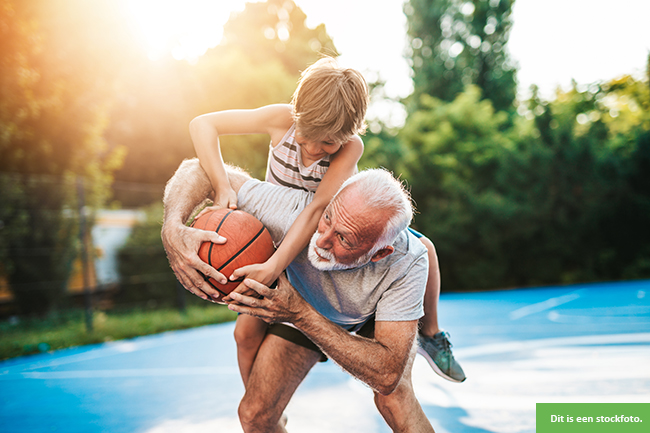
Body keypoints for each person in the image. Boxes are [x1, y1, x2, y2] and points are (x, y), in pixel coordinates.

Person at [187, 56, 464, 383]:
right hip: (282, 236)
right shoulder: (280, 119)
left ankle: (430, 335)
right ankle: (259, 417)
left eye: (328, 142)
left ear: (349, 133)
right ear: (298, 113)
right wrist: (221, 185)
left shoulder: (350, 148)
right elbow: (202, 124)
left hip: (324, 238)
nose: (314, 150)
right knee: (244, 335)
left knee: (425, 249)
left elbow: (317, 210)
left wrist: (273, 267)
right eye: (306, 137)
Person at [161, 159, 436, 432]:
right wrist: (172, 226)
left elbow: (386, 374)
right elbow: (197, 168)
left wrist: (300, 314)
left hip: (361, 315)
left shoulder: (406, 261)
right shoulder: (293, 210)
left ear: (379, 253)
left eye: (343, 239)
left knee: (395, 399)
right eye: (327, 218)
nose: (322, 239)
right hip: (304, 304)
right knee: (255, 415)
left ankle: (435, 338)